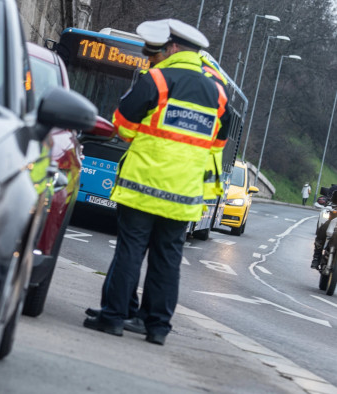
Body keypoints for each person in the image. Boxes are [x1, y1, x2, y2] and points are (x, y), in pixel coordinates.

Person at [83, 18, 229, 346]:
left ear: (173, 48)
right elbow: (218, 143)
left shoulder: (157, 80)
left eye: (161, 48)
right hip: (183, 194)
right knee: (168, 259)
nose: (158, 53)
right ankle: (157, 326)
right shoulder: (217, 94)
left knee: (130, 251)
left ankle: (114, 317)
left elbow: (123, 126)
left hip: (141, 187)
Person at [312, 184, 337, 269]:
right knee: (323, 229)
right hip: (334, 219)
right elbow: (327, 200)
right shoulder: (334, 189)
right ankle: (317, 257)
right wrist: (327, 204)